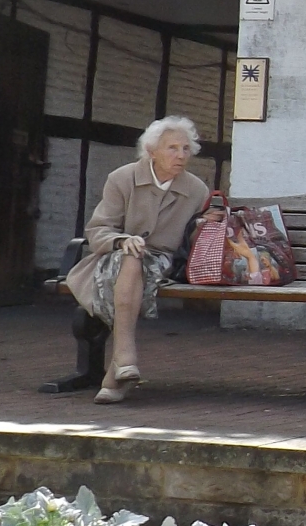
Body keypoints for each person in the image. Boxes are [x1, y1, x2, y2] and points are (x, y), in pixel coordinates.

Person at [63, 117, 210, 403]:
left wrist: (205, 225)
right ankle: (122, 364)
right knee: (131, 258)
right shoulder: (122, 178)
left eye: (185, 148)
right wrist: (122, 240)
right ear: (151, 151)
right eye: (172, 148)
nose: (181, 155)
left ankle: (121, 363)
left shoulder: (197, 190)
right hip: (114, 256)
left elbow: (193, 241)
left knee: (136, 261)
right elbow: (98, 229)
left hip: (162, 262)